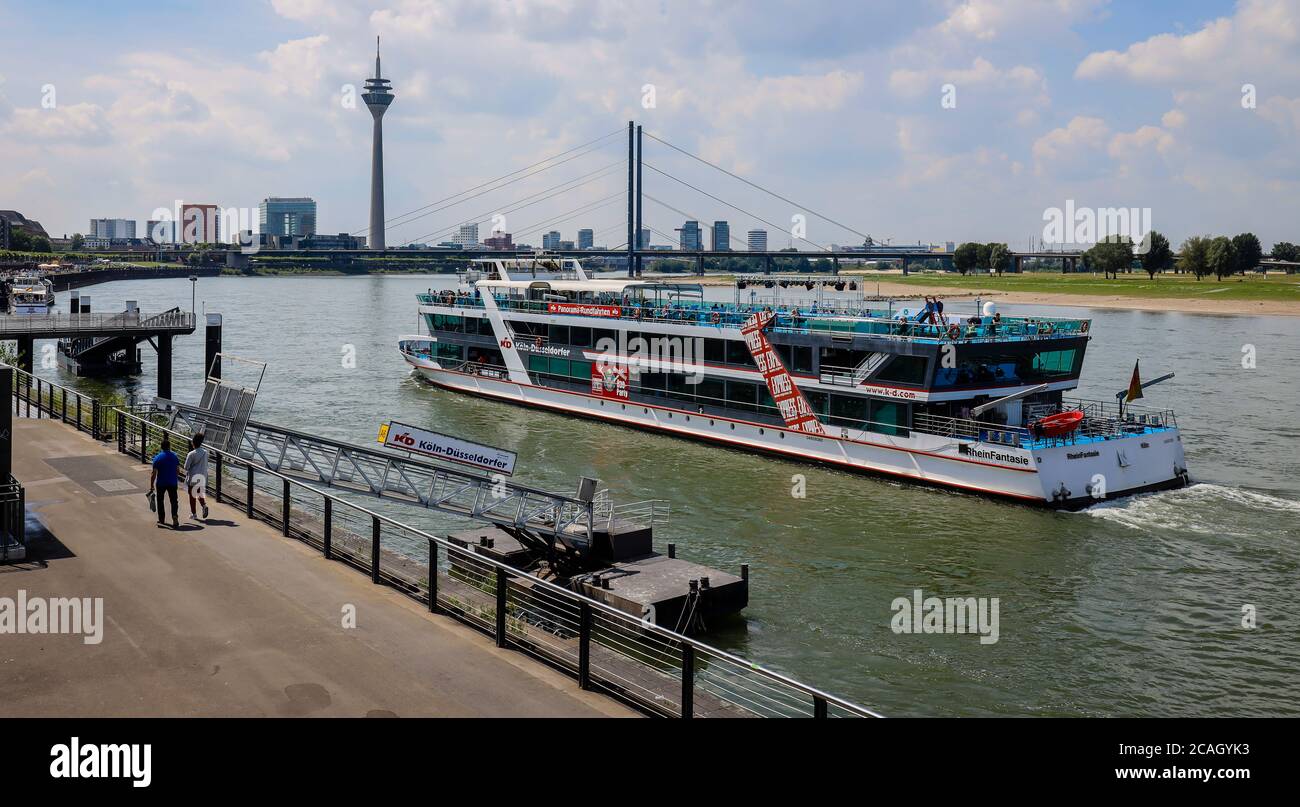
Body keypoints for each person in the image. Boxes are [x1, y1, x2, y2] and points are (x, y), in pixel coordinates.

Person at [150, 436, 181, 529]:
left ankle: (162, 519)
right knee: (174, 501)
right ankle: (175, 517)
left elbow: (153, 473)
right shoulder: (175, 457)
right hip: (172, 482)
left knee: (160, 501)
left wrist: (151, 485)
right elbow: (178, 471)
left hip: (161, 483)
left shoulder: (157, 458)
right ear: (169, 446)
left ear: (161, 447)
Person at [184, 433, 210, 521]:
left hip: (193, 477)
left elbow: (186, 467)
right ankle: (204, 506)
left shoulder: (191, 454)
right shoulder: (206, 452)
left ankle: (194, 514)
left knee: (192, 496)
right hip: (202, 476)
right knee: (199, 493)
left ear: (193, 442)